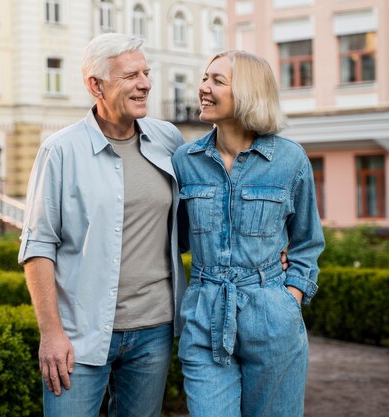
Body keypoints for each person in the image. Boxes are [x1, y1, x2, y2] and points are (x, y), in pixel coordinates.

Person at [17, 33, 188, 417]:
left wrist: (263, 244)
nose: (145, 83)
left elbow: (201, 215)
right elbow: (38, 245)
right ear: (95, 85)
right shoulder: (60, 150)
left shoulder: (169, 140)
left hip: (154, 330)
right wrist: (51, 334)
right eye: (130, 75)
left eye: (146, 73)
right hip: (79, 335)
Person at [171, 50, 325, 417]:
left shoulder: (290, 160)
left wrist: (291, 294)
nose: (203, 88)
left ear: (249, 93)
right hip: (204, 315)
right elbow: (174, 240)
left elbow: (307, 241)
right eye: (204, 79)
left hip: (272, 317)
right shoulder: (184, 161)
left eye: (216, 81)